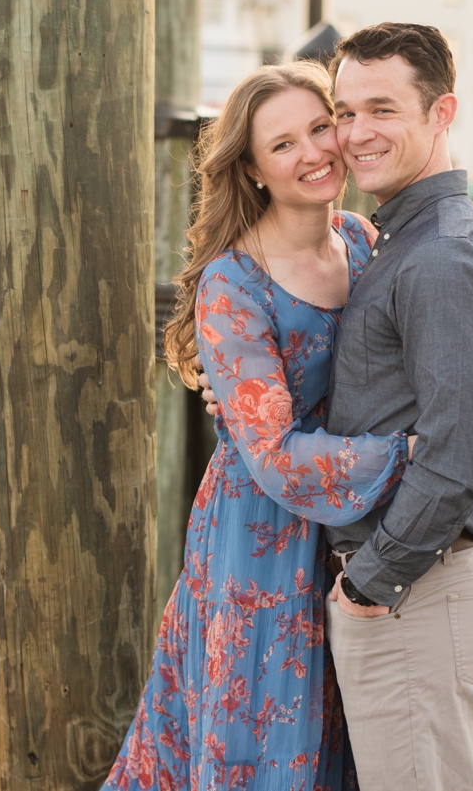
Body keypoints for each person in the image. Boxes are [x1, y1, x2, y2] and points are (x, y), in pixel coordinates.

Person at [102, 60, 412, 790]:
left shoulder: (364, 242)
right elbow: (270, 452)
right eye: (282, 144)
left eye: (319, 127)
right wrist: (407, 455)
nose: (312, 152)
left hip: (351, 530)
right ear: (250, 167)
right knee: (262, 731)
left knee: (344, 728)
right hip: (260, 534)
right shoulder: (233, 283)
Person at [321, 23, 473, 790]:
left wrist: (374, 578)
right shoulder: (399, 238)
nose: (356, 133)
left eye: (382, 109)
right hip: (413, 589)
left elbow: (457, 452)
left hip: (418, 591)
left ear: (442, 113)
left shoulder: (440, 256)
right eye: (344, 112)